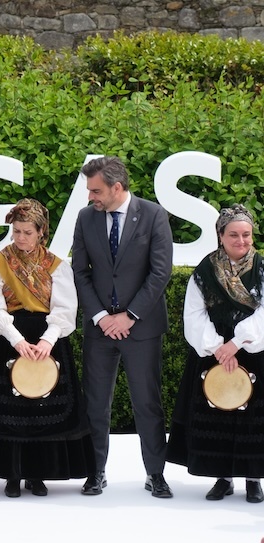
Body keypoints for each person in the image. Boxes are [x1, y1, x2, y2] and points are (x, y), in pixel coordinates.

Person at [0, 198, 95, 497]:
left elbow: (65, 309)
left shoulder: (57, 266)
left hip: (47, 340)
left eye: (27, 232)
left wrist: (48, 340)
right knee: (7, 411)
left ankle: (38, 474)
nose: (20, 237)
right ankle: (11, 474)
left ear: (41, 232)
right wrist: (17, 341)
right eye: (16, 231)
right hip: (8, 339)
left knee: (42, 409)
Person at [71, 156, 173, 498]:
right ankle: (95, 472)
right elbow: (80, 271)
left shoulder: (154, 215)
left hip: (141, 328)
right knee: (95, 404)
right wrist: (101, 316)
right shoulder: (85, 217)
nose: (91, 198)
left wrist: (129, 316)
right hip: (99, 328)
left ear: (117, 187)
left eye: (96, 191)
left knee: (147, 403)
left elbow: (160, 272)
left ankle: (155, 474)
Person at [167, 204, 264, 503]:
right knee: (218, 411)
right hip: (214, 350)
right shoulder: (205, 270)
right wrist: (217, 347)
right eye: (233, 234)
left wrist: (238, 342)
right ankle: (223, 478)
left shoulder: (262, 269)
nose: (241, 240)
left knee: (253, 418)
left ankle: (253, 479)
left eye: (246, 234)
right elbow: (194, 313)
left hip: (253, 349)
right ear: (220, 235)